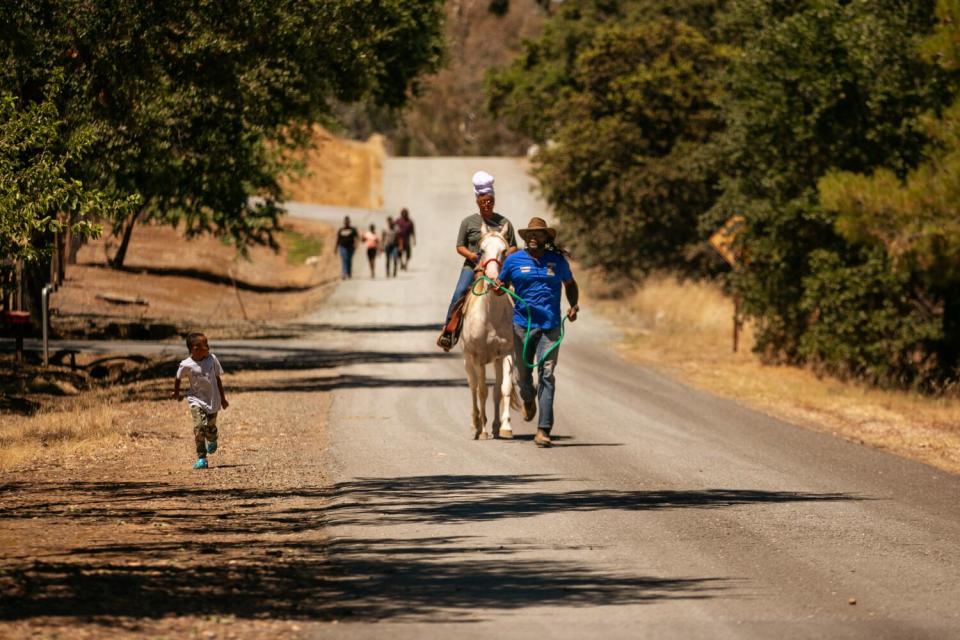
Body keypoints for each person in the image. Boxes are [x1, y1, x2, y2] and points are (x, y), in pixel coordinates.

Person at [495, 217, 579, 447]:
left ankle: (543, 429)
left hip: (549, 327)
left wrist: (573, 306)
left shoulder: (557, 261)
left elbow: (570, 284)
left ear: (546, 238)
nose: (533, 238)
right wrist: (498, 288)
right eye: (530, 234)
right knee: (523, 378)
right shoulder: (513, 261)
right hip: (522, 325)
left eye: (539, 234)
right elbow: (500, 286)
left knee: (547, 375)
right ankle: (528, 399)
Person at [436, 170, 517, 351]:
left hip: (500, 267)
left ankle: (524, 330)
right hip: (473, 266)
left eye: (490, 201)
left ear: (494, 201)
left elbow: (513, 246)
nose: (487, 205)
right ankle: (449, 331)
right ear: (477, 202)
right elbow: (459, 246)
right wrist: (471, 256)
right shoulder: (468, 222)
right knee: (459, 293)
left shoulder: (504, 222)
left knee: (517, 293)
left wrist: (503, 256)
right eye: (483, 202)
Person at [171, 332, 229, 469]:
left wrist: (223, 398)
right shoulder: (186, 364)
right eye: (206, 344)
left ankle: (213, 438)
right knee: (199, 427)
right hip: (195, 399)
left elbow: (217, 379)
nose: (208, 347)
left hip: (212, 400)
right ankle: (202, 458)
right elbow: (178, 378)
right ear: (195, 348)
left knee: (210, 427)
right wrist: (177, 393)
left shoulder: (212, 359)